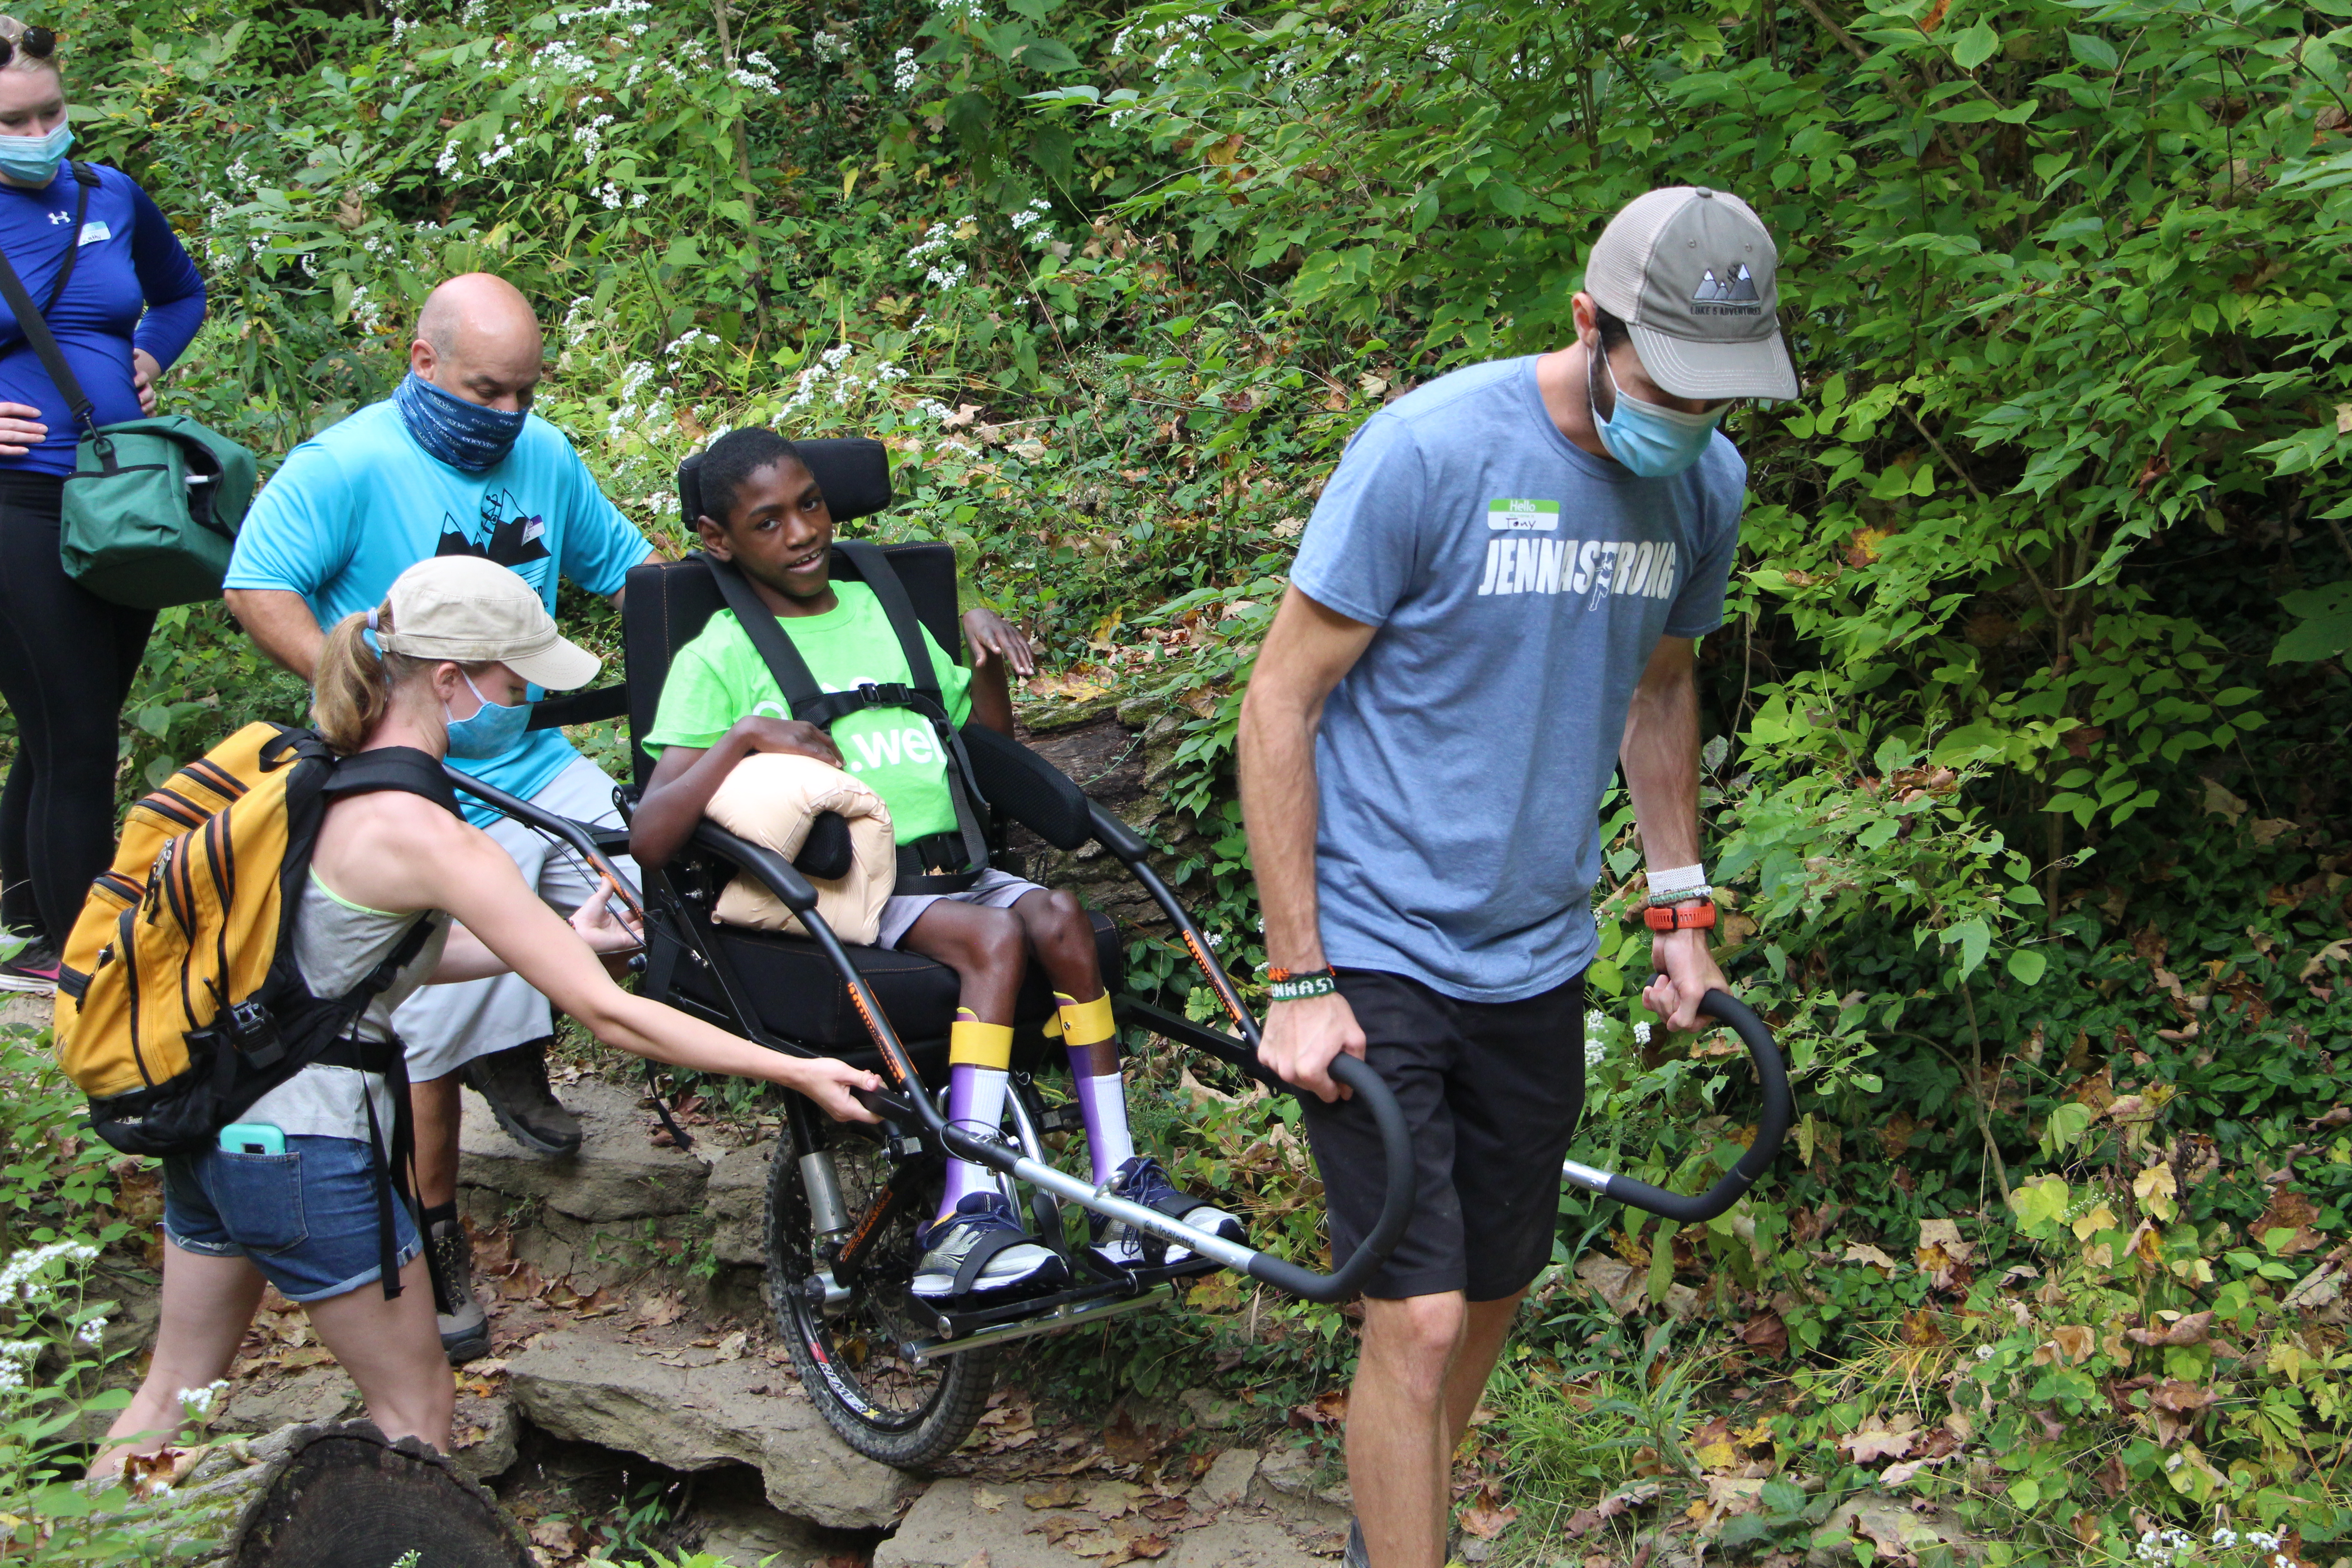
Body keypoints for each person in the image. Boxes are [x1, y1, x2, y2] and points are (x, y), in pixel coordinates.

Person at [1236, 186, 1799, 1568]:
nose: (1693, 421)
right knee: (1415, 1319)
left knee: (1489, 1297)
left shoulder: (1702, 484)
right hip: (1374, 936)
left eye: (1720, 398)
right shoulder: (1429, 452)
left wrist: (1679, 907)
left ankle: (1393, 1530)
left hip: (1536, 950)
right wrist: (1298, 973)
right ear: (1588, 325)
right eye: (1670, 385)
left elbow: (1660, 688)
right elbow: (1279, 701)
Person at [93, 556, 879, 1477]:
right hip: (307, 1151)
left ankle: (109, 1533)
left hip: (222, 1127)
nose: (524, 705)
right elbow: (609, 1020)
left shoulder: (318, 779)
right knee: (415, 1408)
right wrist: (794, 1069)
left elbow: (355, 964)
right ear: (450, 682)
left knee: (169, 1394)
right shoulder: (430, 833)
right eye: (514, 685)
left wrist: (565, 940)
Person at [627, 427, 1241, 1307]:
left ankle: (1121, 1186)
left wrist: (987, 661)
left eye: (811, 504)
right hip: (854, 894)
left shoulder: (881, 605)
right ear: (720, 541)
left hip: (962, 868)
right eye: (770, 522)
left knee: (1063, 917)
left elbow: (988, 749)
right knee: (995, 937)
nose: (803, 531)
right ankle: (968, 1204)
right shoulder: (721, 652)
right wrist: (744, 738)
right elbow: (652, 835)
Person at [223, 273, 654, 1362]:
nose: (506, 416)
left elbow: (634, 572)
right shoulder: (347, 465)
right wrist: (365, 689)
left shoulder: (545, 453)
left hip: (534, 758)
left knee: (666, 889)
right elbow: (258, 585)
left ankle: (530, 1027)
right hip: (415, 779)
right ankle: (438, 1230)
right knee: (419, 1033)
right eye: (484, 391)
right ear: (421, 363)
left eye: (523, 393)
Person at [0, 16, 205, 991]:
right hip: (14, 506)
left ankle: (16, 909)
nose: (40, 135)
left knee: (68, 721)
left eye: (50, 113)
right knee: (75, 733)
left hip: (121, 501)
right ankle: (75, 958)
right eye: (15, 121)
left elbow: (179, 294)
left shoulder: (107, 194)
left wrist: (150, 354)